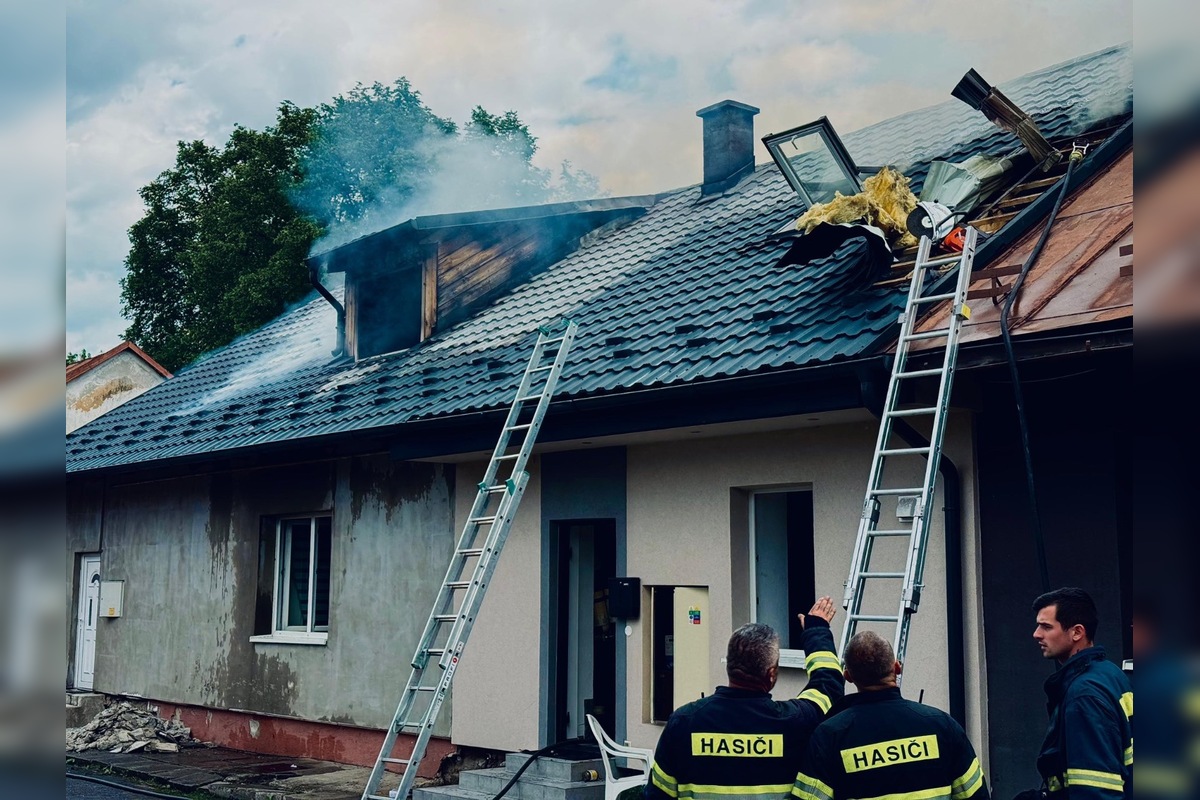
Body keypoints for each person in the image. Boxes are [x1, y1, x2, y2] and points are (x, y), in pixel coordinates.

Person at [645, 596, 844, 800]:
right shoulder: (795, 722)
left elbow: (657, 795)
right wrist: (816, 630)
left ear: (729, 666)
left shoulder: (683, 722)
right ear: (772, 674)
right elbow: (828, 686)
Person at [792, 630, 989, 800]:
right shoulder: (942, 726)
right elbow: (975, 794)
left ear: (848, 677)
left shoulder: (829, 736)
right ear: (897, 668)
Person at [1029, 587, 1133, 800]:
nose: (1036, 634)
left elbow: (1096, 789)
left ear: (1077, 632)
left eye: (1046, 627)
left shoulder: (1084, 694)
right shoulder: (1110, 673)